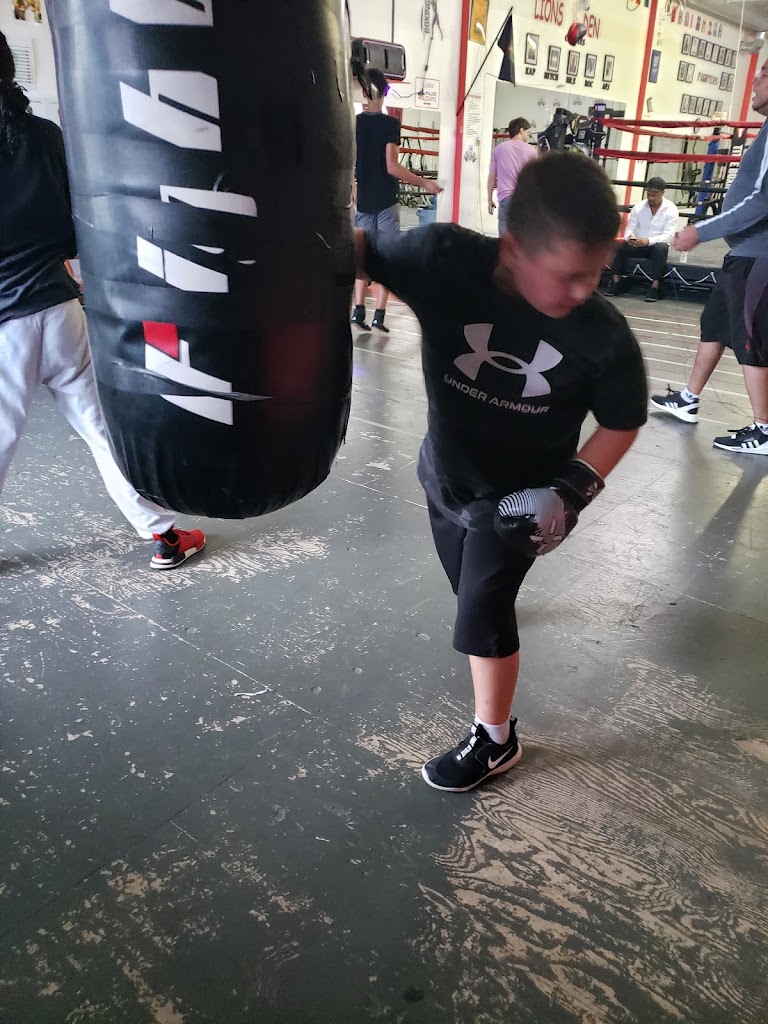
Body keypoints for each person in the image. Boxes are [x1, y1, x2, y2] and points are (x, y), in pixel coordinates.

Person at [354, 152, 647, 792]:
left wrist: (570, 492)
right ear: (513, 249)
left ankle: (496, 739)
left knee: (481, 620)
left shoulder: (602, 336)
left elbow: (623, 422)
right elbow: (355, 252)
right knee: (468, 589)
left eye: (595, 274)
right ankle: (492, 609)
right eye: (568, 276)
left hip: (517, 502)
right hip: (444, 475)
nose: (584, 291)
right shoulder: (443, 261)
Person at [0, 32, 204, 569]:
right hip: (59, 309)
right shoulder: (43, 136)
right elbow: (78, 226)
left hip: (6, 327)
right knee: (99, 427)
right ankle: (163, 534)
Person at [673, 58, 768, 455]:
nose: (755, 81)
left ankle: (763, 429)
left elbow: (762, 199)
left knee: (751, 340)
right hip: (741, 256)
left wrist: (700, 231)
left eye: (764, 74)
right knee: (713, 325)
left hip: (757, 257)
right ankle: (688, 398)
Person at [351, 67, 441, 334]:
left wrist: (353, 188)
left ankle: (358, 311)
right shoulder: (390, 124)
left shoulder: (354, 123)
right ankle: (379, 316)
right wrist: (424, 182)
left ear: (364, 91)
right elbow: (392, 166)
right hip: (386, 201)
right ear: (385, 92)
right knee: (386, 257)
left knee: (362, 256)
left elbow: (349, 162)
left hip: (363, 199)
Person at [607, 177, 679, 302]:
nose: (651, 198)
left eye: (654, 195)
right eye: (649, 194)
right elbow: (630, 228)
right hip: (639, 244)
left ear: (662, 193)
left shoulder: (671, 209)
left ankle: (655, 287)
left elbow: (669, 235)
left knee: (661, 248)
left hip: (656, 245)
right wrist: (630, 238)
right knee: (619, 246)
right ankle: (616, 282)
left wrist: (648, 240)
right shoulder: (639, 207)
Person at [487, 117, 537, 235]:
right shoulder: (531, 150)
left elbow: (492, 176)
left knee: (504, 238)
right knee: (522, 237)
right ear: (521, 130)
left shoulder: (499, 149)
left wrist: (489, 199)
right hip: (524, 199)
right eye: (527, 132)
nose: (528, 135)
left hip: (505, 198)